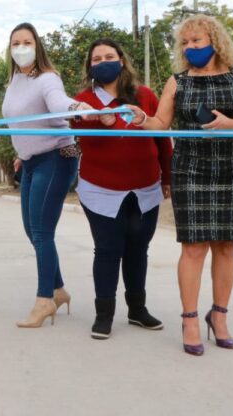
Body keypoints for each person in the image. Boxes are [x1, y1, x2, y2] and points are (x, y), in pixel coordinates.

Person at [128, 14, 233, 356]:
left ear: (215, 41)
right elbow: (161, 124)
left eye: (197, 41)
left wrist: (229, 123)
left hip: (231, 167)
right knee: (193, 247)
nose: (190, 47)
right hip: (190, 168)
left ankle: (218, 317)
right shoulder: (177, 82)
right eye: (185, 43)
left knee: (225, 245)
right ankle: (190, 319)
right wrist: (141, 118)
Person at [71, 38, 172, 339]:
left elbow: (162, 138)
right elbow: (85, 138)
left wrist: (167, 176)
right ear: (90, 67)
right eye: (97, 59)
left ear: (122, 61)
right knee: (107, 250)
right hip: (100, 189)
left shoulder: (144, 95)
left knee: (138, 249)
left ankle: (137, 310)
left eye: (109, 56)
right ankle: (104, 315)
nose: (104, 62)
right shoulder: (82, 100)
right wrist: (104, 119)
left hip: (145, 188)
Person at [0, 22, 100, 328]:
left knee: (42, 233)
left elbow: (56, 104)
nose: (21, 47)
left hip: (57, 157)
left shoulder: (47, 78)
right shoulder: (15, 80)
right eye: (15, 42)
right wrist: (21, 152)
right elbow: (23, 122)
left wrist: (75, 107)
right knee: (33, 231)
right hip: (31, 161)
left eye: (26, 41)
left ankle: (44, 300)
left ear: (37, 45)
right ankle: (58, 290)